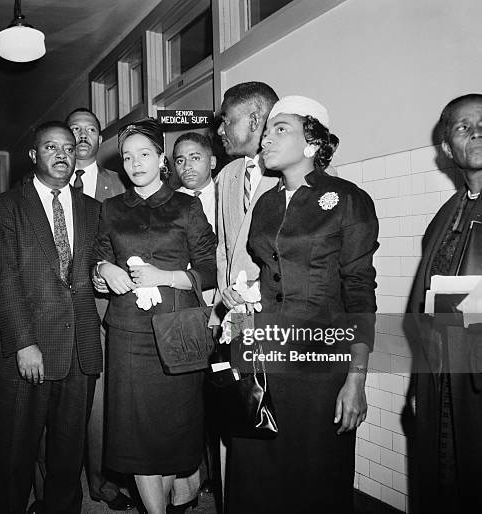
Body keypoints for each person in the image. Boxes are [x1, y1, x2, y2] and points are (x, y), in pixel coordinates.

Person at [226, 96, 378, 513]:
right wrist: (243, 301)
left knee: (314, 476)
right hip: (264, 352)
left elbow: (361, 292)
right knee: (255, 469)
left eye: (281, 130)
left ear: (312, 143)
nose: (266, 140)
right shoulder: (266, 204)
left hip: (320, 362)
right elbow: (264, 273)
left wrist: (357, 379)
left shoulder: (348, 199)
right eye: (267, 130)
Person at [93, 118, 217, 514]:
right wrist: (102, 271)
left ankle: (178, 495)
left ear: (162, 159)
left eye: (144, 154)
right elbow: (96, 258)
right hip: (128, 335)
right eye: (128, 157)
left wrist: (165, 276)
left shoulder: (186, 206)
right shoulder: (111, 209)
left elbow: (209, 268)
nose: (135, 163)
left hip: (177, 332)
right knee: (136, 434)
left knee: (173, 433)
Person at [0, 121, 102, 514]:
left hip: (80, 351)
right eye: (51, 147)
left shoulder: (93, 210)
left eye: (68, 148)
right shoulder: (5, 207)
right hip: (28, 351)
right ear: (33, 155)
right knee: (13, 457)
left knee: (68, 460)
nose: (62, 155)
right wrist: (23, 342)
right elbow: (4, 281)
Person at [407, 93, 482, 513]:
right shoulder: (445, 215)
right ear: (447, 149)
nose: (476, 132)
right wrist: (421, 382)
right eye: (463, 126)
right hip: (445, 379)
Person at [211, 81, 279, 499]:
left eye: (227, 119)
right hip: (235, 319)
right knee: (240, 417)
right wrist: (226, 291)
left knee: (277, 418)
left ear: (254, 120)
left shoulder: (295, 172)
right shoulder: (227, 175)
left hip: (278, 318)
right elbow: (223, 244)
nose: (219, 128)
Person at [66, 107, 133, 511]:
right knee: (55, 397)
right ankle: (54, 483)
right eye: (75, 129)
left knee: (99, 400)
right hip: (56, 309)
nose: (83, 135)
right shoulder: (40, 185)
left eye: (91, 129)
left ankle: (100, 480)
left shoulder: (120, 186)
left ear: (99, 138)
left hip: (105, 307)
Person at [170, 132, 217, 513]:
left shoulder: (234, 196)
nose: (187, 166)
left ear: (212, 161)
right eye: (180, 160)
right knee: (190, 395)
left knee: (226, 394)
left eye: (195, 157)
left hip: (228, 309)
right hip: (187, 311)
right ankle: (195, 474)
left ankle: (219, 476)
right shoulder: (169, 205)